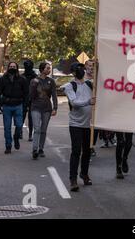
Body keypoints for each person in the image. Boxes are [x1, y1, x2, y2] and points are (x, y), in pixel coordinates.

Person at [63, 62, 95, 192]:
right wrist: (88, 102)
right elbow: (74, 103)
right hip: (76, 124)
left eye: (83, 67)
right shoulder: (70, 86)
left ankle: (84, 173)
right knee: (76, 151)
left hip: (89, 124)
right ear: (74, 72)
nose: (83, 70)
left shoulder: (89, 84)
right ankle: (73, 179)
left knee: (87, 151)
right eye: (79, 69)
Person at [0, 62, 29, 154]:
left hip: (18, 105)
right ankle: (8, 146)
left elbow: (26, 94)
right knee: (7, 127)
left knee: (19, 125)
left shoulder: (22, 79)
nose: (12, 68)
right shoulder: (2, 79)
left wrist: (25, 106)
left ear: (17, 68)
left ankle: (16, 137)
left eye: (14, 66)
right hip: (7, 106)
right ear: (8, 68)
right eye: (10, 66)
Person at [29, 62, 58, 160]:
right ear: (42, 69)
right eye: (47, 68)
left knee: (43, 130)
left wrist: (55, 108)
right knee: (37, 129)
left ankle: (41, 149)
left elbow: (54, 95)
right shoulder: (34, 80)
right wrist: (34, 85)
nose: (49, 70)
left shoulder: (51, 81)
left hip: (47, 108)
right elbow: (31, 96)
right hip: (35, 107)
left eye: (49, 69)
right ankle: (34, 150)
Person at [23, 59, 37, 141]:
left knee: (31, 117)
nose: (27, 67)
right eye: (26, 65)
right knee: (22, 116)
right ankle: (20, 131)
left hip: (32, 99)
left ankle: (30, 134)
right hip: (23, 99)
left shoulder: (35, 76)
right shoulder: (22, 76)